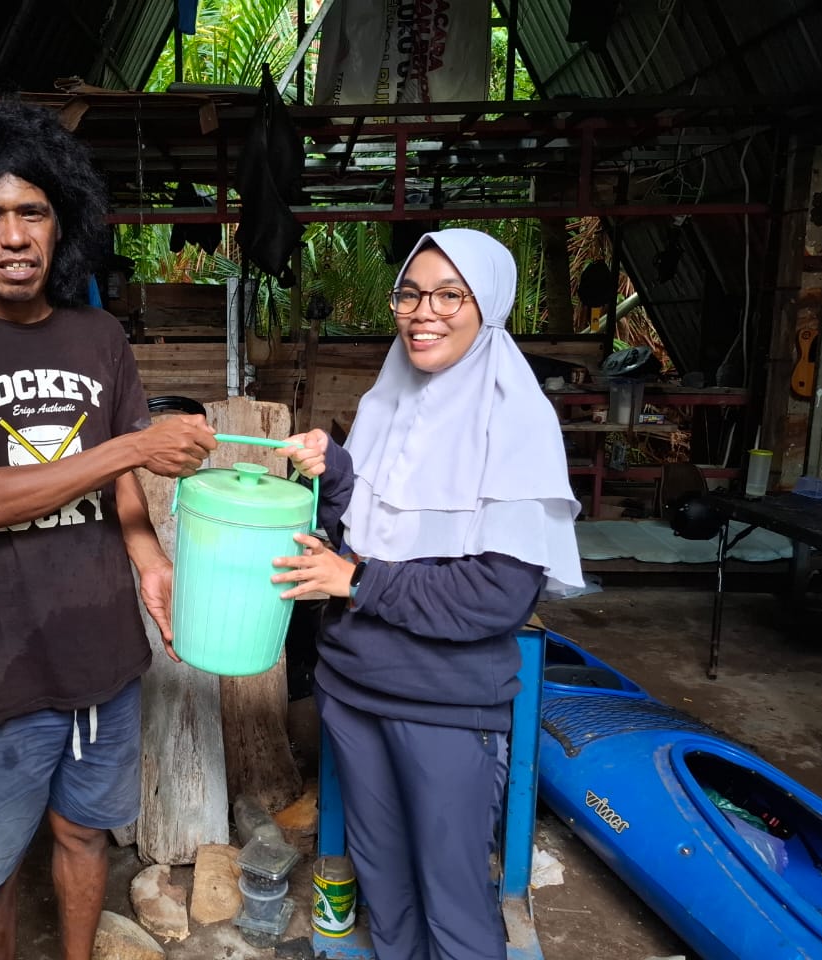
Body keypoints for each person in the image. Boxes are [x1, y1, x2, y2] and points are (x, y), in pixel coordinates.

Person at [0, 90, 217, 960]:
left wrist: (149, 557)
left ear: (62, 225)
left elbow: (122, 483)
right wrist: (133, 444)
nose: (14, 236)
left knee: (83, 833)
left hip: (103, 654)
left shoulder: (98, 336)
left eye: (32, 212)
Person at [272, 228, 584, 960]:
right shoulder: (387, 399)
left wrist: (356, 580)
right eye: (410, 294)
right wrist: (333, 470)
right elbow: (359, 526)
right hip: (352, 688)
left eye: (450, 295)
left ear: (489, 306)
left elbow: (497, 597)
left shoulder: (517, 420)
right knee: (386, 891)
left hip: (443, 706)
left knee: (452, 901)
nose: (424, 313)